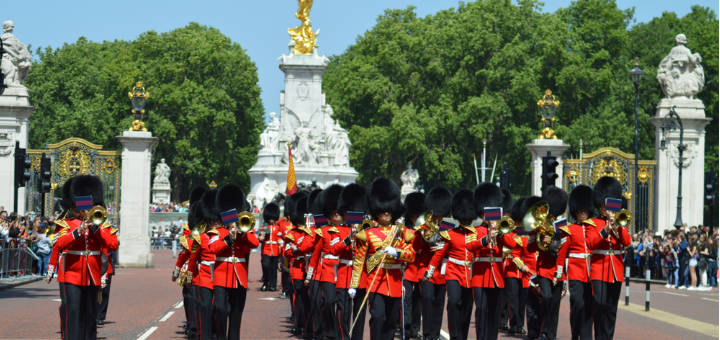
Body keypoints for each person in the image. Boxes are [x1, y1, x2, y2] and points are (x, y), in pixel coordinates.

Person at [52, 175, 119, 340]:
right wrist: (78, 231)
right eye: (83, 207)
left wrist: (96, 229)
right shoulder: (66, 224)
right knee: (73, 313)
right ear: (76, 206)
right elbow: (60, 244)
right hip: (71, 275)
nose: (86, 210)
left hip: (92, 275)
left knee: (90, 315)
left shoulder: (100, 225)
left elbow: (113, 244)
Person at [349, 178, 415, 340]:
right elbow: (359, 261)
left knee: (391, 323)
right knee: (378, 317)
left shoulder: (401, 232)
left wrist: (397, 253)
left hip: (394, 283)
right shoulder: (367, 234)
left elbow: (411, 255)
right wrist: (354, 284)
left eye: (389, 209)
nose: (386, 212)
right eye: (383, 209)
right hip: (375, 283)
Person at [467, 183, 517, 340]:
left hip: (497, 276)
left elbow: (513, 244)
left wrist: (500, 233)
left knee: (494, 312)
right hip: (480, 276)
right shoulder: (476, 230)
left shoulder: (502, 230)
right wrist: (486, 239)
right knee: (481, 310)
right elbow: (469, 246)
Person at [210, 184, 260, 340]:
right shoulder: (218, 232)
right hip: (221, 275)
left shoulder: (245, 230)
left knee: (236, 314)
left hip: (239, 276)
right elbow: (213, 248)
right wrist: (228, 238)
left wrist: (241, 234)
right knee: (220, 309)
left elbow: (255, 243)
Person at [427, 188, 476, 340]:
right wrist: (430, 270)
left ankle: (462, 335)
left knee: (467, 308)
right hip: (453, 271)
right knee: (453, 302)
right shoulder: (450, 233)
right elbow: (440, 252)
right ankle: (455, 336)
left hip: (469, 273)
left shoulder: (477, 233)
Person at [586, 177, 631, 340]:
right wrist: (605, 230)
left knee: (611, 309)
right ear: (600, 205)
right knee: (599, 305)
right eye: (605, 206)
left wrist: (618, 227)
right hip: (599, 269)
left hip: (616, 270)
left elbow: (627, 242)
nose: (608, 209)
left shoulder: (620, 223)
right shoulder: (593, 223)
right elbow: (591, 243)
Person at [559, 185, 595, 340]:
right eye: (580, 211)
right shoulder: (569, 229)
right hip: (575, 271)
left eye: (585, 211)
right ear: (575, 211)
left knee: (589, 306)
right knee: (578, 304)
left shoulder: (593, 228)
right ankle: (575, 332)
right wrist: (559, 272)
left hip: (590, 271)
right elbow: (562, 253)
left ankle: (586, 336)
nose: (583, 213)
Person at [416, 187, 452, 340]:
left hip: (441, 272)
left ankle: (435, 334)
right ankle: (428, 335)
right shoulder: (424, 225)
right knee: (428, 302)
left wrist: (445, 248)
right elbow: (419, 245)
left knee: (438, 304)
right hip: (426, 271)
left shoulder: (448, 227)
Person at [188, 189, 220, 340]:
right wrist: (189, 275)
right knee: (205, 307)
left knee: (219, 309)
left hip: (221, 276)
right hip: (205, 276)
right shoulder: (200, 237)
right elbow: (193, 258)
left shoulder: (225, 234)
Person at [283, 191, 316, 338]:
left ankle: (309, 327)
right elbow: (287, 252)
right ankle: (299, 324)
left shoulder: (313, 231)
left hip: (310, 268)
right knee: (299, 300)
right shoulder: (293, 233)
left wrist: (299, 247)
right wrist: (296, 249)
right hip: (297, 269)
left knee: (311, 299)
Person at [401, 192, 425, 340]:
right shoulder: (404, 229)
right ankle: (406, 327)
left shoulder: (424, 229)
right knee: (407, 300)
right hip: (408, 269)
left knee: (418, 301)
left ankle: (415, 328)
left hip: (420, 268)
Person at [259, 202, 282, 291]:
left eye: (273, 218)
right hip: (266, 250)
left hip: (275, 250)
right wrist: (260, 237)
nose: (271, 220)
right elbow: (260, 236)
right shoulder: (264, 226)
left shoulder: (277, 227)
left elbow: (279, 238)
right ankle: (265, 283)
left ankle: (273, 285)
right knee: (265, 266)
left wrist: (281, 244)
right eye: (270, 218)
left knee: (273, 268)